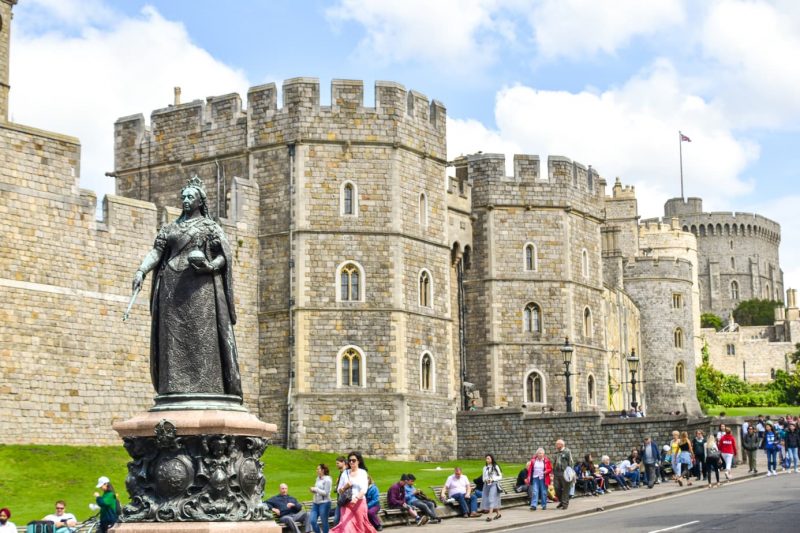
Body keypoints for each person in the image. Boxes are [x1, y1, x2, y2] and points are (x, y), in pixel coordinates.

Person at [131, 175, 242, 400]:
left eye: (190, 197)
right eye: (183, 197)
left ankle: (208, 388)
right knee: (172, 341)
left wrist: (210, 266)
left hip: (201, 290)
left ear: (200, 201)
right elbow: (157, 253)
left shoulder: (210, 227)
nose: (186, 200)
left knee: (202, 339)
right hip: (171, 289)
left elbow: (224, 256)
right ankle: (173, 388)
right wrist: (141, 270)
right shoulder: (170, 229)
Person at [331, 451, 376, 533]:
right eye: (349, 460)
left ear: (358, 461)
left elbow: (364, 489)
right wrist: (345, 487)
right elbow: (339, 490)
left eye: (353, 460)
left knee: (360, 527)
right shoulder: (345, 473)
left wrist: (356, 498)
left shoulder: (363, 473)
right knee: (345, 526)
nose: (351, 462)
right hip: (346, 503)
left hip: (359, 503)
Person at [309, 464, 332, 533]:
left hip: (325, 503)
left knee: (324, 521)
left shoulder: (328, 480)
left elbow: (326, 493)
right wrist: (313, 491)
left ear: (323, 470)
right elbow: (318, 491)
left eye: (318, 469)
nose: (316, 470)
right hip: (316, 503)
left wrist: (316, 489)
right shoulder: (317, 478)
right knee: (312, 520)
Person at [552, 439, 574, 510]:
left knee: (565, 489)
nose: (556, 445)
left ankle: (565, 504)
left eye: (557, 444)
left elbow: (571, 462)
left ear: (561, 445)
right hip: (556, 472)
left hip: (565, 473)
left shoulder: (567, 451)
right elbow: (554, 462)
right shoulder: (556, 452)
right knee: (556, 488)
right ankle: (562, 501)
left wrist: (570, 472)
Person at [480, 454, 502, 521]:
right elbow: (483, 478)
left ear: (491, 459)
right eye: (486, 458)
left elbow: (500, 476)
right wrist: (486, 480)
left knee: (491, 499)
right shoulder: (485, 468)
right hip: (487, 485)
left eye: (488, 458)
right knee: (487, 499)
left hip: (493, 484)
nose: (487, 460)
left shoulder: (495, 466)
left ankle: (490, 516)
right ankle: (498, 514)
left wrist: (493, 479)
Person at [332, 456, 347, 526]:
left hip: (346, 500)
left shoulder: (346, 473)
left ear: (343, 462)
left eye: (338, 463)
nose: (336, 465)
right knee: (337, 520)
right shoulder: (341, 473)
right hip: (340, 500)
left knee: (337, 519)